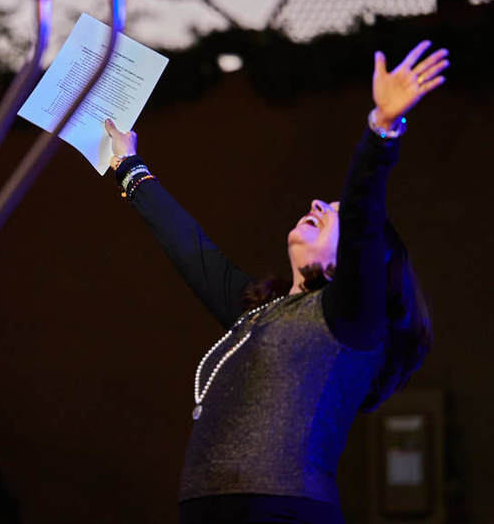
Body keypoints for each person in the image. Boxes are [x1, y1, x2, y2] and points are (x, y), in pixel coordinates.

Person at [102, 41, 446, 523]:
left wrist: (381, 130)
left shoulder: (350, 320)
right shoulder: (256, 312)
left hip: (286, 511)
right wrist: (126, 166)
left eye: (337, 214)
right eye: (325, 203)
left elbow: (366, 209)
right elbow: (193, 252)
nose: (319, 205)